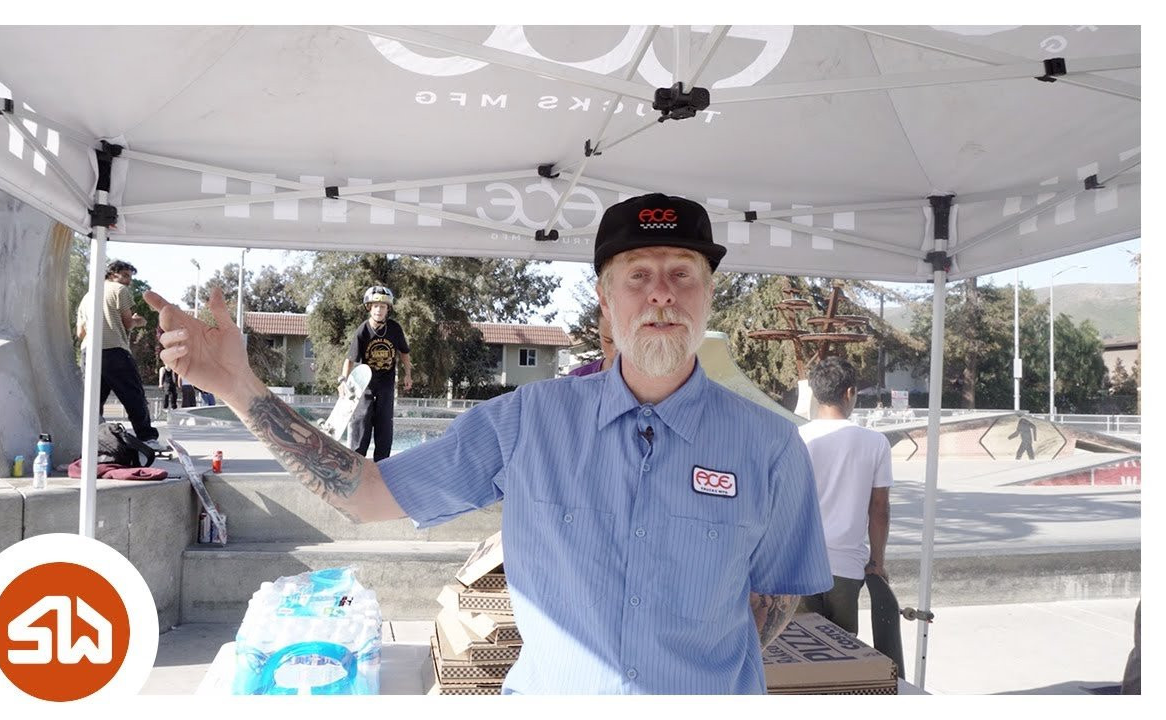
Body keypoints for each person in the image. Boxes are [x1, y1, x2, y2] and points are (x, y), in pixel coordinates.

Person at [146, 193, 831, 694]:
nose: (661, 295)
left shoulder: (770, 448)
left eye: (682, 274)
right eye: (638, 276)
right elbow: (368, 493)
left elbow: (772, 599)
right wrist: (239, 387)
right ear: (605, 297)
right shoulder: (528, 422)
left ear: (709, 293)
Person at [796, 356, 893, 635]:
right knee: (845, 653)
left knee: (804, 648)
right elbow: (879, 509)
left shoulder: (796, 437)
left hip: (801, 564)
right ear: (850, 392)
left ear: (815, 393)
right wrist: (877, 562)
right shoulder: (875, 443)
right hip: (846, 568)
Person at [76, 260, 162, 447]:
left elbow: (79, 332)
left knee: (93, 400)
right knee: (133, 395)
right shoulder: (119, 290)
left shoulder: (87, 296)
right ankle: (147, 437)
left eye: (130, 277)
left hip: (88, 351)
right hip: (114, 349)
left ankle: (91, 440)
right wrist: (139, 321)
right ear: (112, 274)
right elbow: (128, 323)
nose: (128, 280)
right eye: (125, 275)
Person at [341, 286, 412, 461]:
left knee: (384, 424)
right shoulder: (362, 330)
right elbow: (350, 359)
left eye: (383, 307)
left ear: (388, 309)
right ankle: (357, 460)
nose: (379, 310)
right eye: (375, 306)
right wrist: (342, 380)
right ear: (369, 308)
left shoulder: (394, 329)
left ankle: (382, 463)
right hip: (365, 384)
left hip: (386, 383)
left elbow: (404, 352)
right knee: (361, 421)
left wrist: (408, 374)